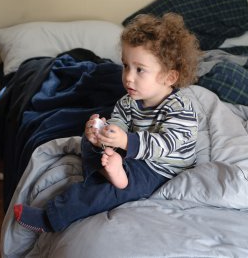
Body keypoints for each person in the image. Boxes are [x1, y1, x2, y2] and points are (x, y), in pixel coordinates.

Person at [13, 12, 201, 233]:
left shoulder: (181, 109)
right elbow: (119, 124)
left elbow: (166, 145)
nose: (128, 77)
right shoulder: (128, 100)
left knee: (107, 192)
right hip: (133, 153)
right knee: (87, 142)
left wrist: (124, 141)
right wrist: (104, 136)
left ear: (169, 77)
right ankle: (112, 171)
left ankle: (51, 218)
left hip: (160, 168)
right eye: (125, 65)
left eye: (139, 69)